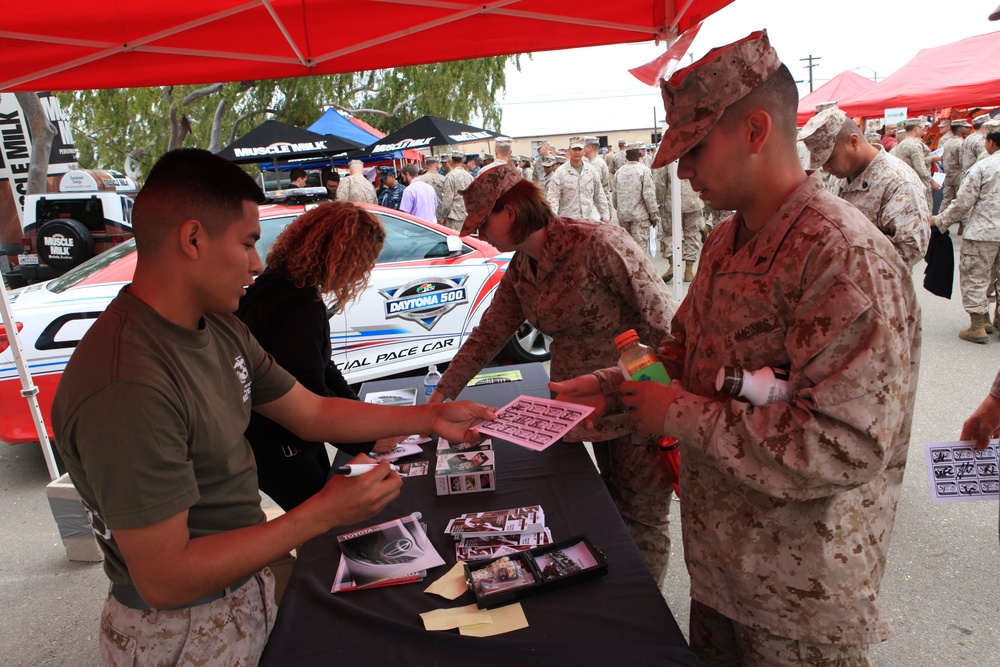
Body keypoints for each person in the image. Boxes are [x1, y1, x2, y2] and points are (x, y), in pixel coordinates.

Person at [551, 31, 920, 665]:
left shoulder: (841, 256)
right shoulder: (725, 243)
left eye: (694, 148)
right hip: (722, 570)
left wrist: (674, 414)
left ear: (755, 130)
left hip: (799, 602)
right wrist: (612, 387)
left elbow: (844, 443)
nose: (681, 169)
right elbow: (682, 354)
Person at [51, 148, 496, 665]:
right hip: (178, 633)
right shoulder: (128, 383)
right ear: (192, 239)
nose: (258, 263)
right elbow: (165, 578)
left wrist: (428, 417)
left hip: (242, 593)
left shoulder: (218, 325)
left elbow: (311, 410)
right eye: (246, 244)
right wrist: (319, 514)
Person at [428, 163, 679, 585]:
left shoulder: (598, 242)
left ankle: (644, 610)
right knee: (599, 506)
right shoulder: (523, 266)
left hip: (636, 402)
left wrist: (663, 398)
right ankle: (614, 593)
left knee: (642, 518)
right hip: (576, 409)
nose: (481, 234)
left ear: (510, 210)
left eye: (483, 222)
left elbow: (667, 327)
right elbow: (488, 334)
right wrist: (439, 398)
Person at [238, 202, 394, 510]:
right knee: (325, 522)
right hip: (279, 443)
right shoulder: (296, 305)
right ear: (343, 258)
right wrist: (365, 438)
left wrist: (362, 417)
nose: (362, 272)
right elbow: (311, 389)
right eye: (363, 263)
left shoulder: (283, 284)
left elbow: (323, 368)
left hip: (282, 438)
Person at [799, 107, 930, 268]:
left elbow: (911, 249)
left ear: (853, 142)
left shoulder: (898, 181)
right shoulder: (842, 175)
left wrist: (844, 253)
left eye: (830, 159)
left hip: (879, 287)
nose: (826, 169)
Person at [931, 118, 1000, 343]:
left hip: (983, 233)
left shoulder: (983, 166)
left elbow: (962, 203)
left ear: (990, 141)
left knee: (976, 277)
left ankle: (978, 325)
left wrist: (940, 221)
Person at [546, 137, 610, 222]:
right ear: (569, 151)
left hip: (590, 220)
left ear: (584, 151)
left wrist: (606, 217)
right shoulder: (560, 172)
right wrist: (552, 220)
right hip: (569, 221)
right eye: (574, 149)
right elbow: (553, 198)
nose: (577, 152)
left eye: (579, 149)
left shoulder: (591, 170)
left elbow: (599, 195)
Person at [613, 141, 659, 254]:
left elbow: (614, 196)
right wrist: (653, 215)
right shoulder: (644, 171)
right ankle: (638, 271)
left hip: (623, 216)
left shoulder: (619, 172)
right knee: (639, 250)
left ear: (626, 156)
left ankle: (628, 271)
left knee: (627, 249)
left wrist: (620, 209)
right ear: (639, 155)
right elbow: (649, 195)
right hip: (640, 217)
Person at [892, 117, 938, 209]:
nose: (924, 129)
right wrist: (931, 181)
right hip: (918, 182)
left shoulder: (902, 143)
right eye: (922, 127)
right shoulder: (914, 145)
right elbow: (920, 167)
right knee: (924, 209)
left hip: (907, 181)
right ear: (916, 129)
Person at [939, 118, 971, 213]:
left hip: (948, 176)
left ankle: (938, 223)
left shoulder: (948, 142)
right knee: (961, 200)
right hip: (959, 176)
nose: (969, 128)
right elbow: (964, 162)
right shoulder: (961, 143)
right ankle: (962, 225)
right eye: (966, 127)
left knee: (946, 200)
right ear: (959, 129)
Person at [442, 150, 474, 231]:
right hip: (467, 216)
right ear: (463, 160)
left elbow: (447, 200)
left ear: (451, 161)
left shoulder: (450, 176)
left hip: (454, 218)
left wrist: (443, 217)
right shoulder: (469, 176)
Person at [418, 155, 448, 223]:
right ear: (437, 165)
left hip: (426, 215)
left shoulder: (420, 180)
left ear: (425, 165)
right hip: (441, 214)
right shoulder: (443, 179)